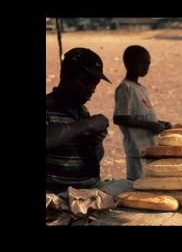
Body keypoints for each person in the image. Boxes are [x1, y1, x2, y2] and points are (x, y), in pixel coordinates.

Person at [46, 48, 111, 193]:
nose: (92, 89)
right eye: (87, 81)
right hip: (57, 197)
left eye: (95, 83)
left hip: (86, 195)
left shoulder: (83, 112)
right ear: (66, 76)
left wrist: (96, 142)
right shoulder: (48, 107)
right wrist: (87, 124)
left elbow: (95, 160)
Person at [113, 45, 171, 181]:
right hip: (137, 149)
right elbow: (120, 118)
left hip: (150, 148)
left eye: (148, 63)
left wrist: (159, 123)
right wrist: (150, 125)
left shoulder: (141, 88)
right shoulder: (125, 88)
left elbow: (142, 115)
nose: (147, 66)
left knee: (151, 182)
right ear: (130, 63)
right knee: (138, 184)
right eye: (143, 62)